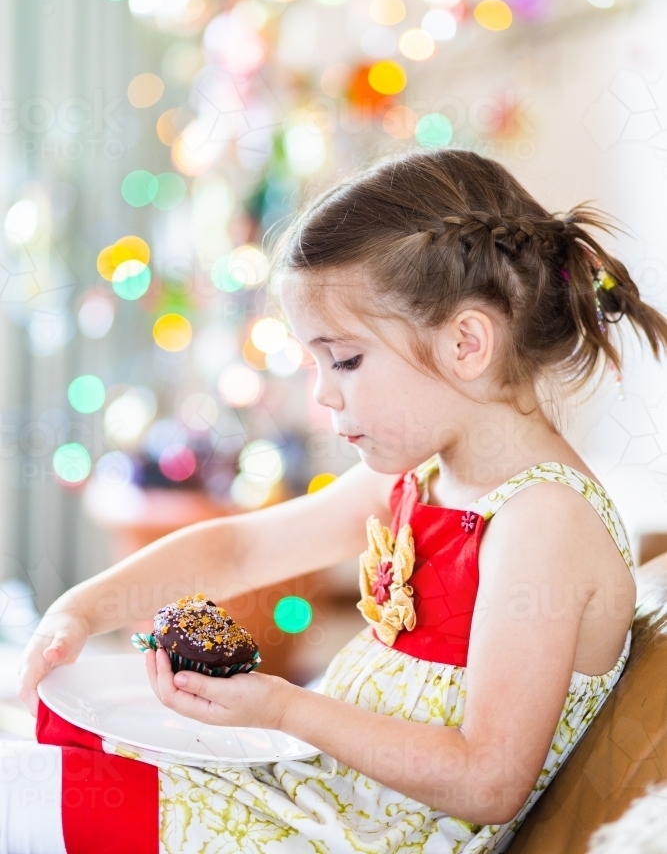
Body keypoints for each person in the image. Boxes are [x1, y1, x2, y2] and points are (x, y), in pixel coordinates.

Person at [14, 149, 667, 854]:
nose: (323, 394)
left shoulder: (542, 521)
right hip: (317, 795)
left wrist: (286, 708)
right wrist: (84, 608)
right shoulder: (424, 478)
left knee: (28, 799)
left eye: (345, 360)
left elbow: (487, 779)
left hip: (352, 837)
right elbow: (243, 547)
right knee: (65, 732)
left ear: (466, 343)